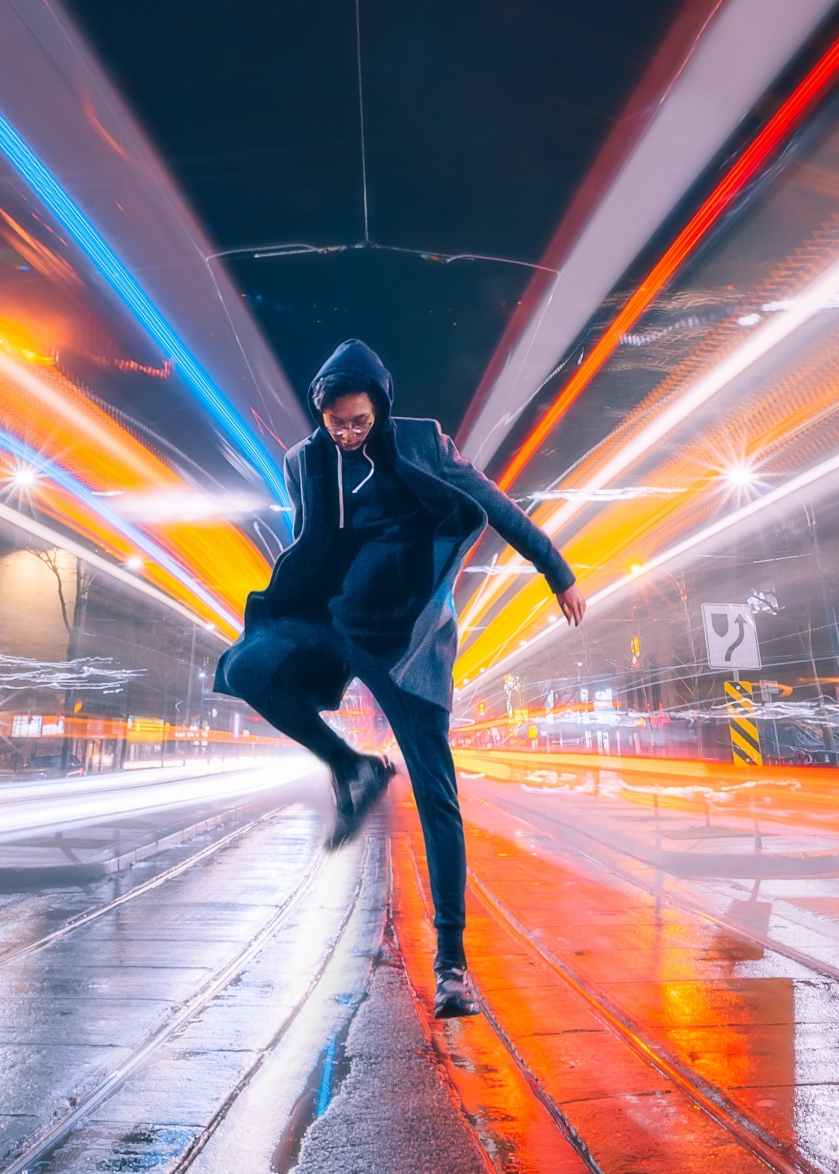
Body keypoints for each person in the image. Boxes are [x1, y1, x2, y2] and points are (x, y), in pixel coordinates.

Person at [214, 340, 585, 1018]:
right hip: (336, 623)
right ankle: (351, 766)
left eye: (358, 421)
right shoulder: (305, 462)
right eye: (336, 422)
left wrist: (555, 571)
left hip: (407, 635)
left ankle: (452, 962)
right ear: (321, 413)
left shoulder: (421, 444)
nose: (348, 433)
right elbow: (311, 545)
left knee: (435, 788)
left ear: (379, 409)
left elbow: (493, 504)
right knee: (247, 667)